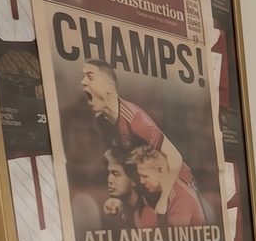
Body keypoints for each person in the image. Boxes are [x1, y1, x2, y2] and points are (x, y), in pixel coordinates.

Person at [79, 59, 195, 196]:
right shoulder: (101, 121)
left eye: (90, 76)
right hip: (149, 186)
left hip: (178, 184)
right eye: (83, 76)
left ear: (110, 87)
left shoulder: (135, 121)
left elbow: (175, 157)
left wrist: (164, 199)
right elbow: (121, 156)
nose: (83, 82)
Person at [129, 146, 203, 228]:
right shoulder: (161, 191)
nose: (141, 181)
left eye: (145, 176)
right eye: (140, 176)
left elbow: (175, 238)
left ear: (160, 170)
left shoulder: (179, 197)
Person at [100, 150, 142, 228]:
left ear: (133, 179)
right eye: (109, 173)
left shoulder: (145, 213)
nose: (109, 180)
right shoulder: (120, 209)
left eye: (116, 174)